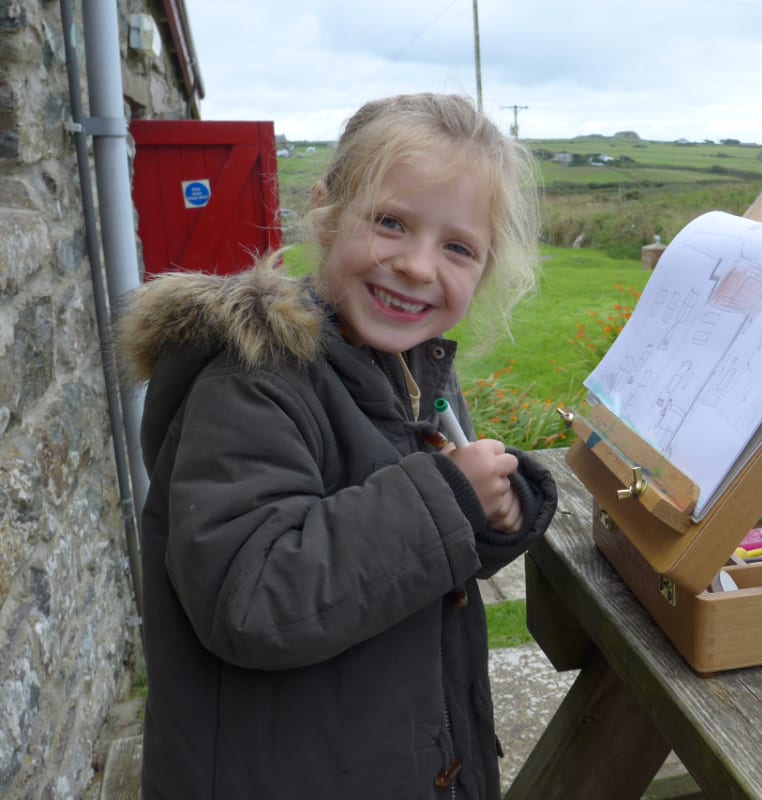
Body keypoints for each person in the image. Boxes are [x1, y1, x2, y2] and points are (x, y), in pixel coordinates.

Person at [116, 93, 558, 799]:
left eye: (457, 247)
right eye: (391, 222)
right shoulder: (253, 384)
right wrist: (448, 498)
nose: (417, 265)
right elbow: (251, 598)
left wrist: (491, 513)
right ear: (326, 210)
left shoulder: (411, 367)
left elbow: (399, 560)